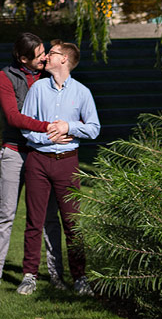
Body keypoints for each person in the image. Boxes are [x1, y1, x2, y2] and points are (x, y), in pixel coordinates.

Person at [0, 32, 69, 289]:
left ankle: (56, 275)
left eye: (45, 51)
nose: (45, 56)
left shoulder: (46, 73)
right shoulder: (6, 76)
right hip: (15, 152)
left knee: (49, 216)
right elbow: (13, 117)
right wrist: (47, 126)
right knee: (6, 213)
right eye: (40, 53)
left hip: (43, 152)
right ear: (23, 58)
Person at [16, 39, 100, 297]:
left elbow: (94, 129)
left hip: (68, 163)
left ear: (64, 59)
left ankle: (80, 277)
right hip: (38, 161)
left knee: (72, 222)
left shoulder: (82, 92)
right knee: (34, 221)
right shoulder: (38, 89)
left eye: (51, 53)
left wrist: (69, 127)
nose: (46, 57)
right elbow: (25, 126)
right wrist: (46, 138)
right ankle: (29, 276)